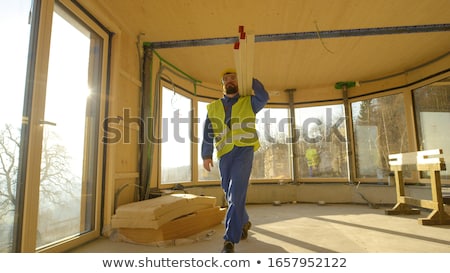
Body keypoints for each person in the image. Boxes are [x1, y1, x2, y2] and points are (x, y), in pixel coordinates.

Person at [201, 68, 269, 253]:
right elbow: (208, 132)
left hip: (243, 151)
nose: (230, 81)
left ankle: (229, 240)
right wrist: (206, 155)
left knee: (236, 191)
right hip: (225, 155)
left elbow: (263, 97)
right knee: (230, 193)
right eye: (226, 79)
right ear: (222, 85)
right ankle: (244, 222)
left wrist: (252, 80)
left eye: (233, 78)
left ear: (239, 83)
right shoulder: (213, 107)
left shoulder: (249, 102)